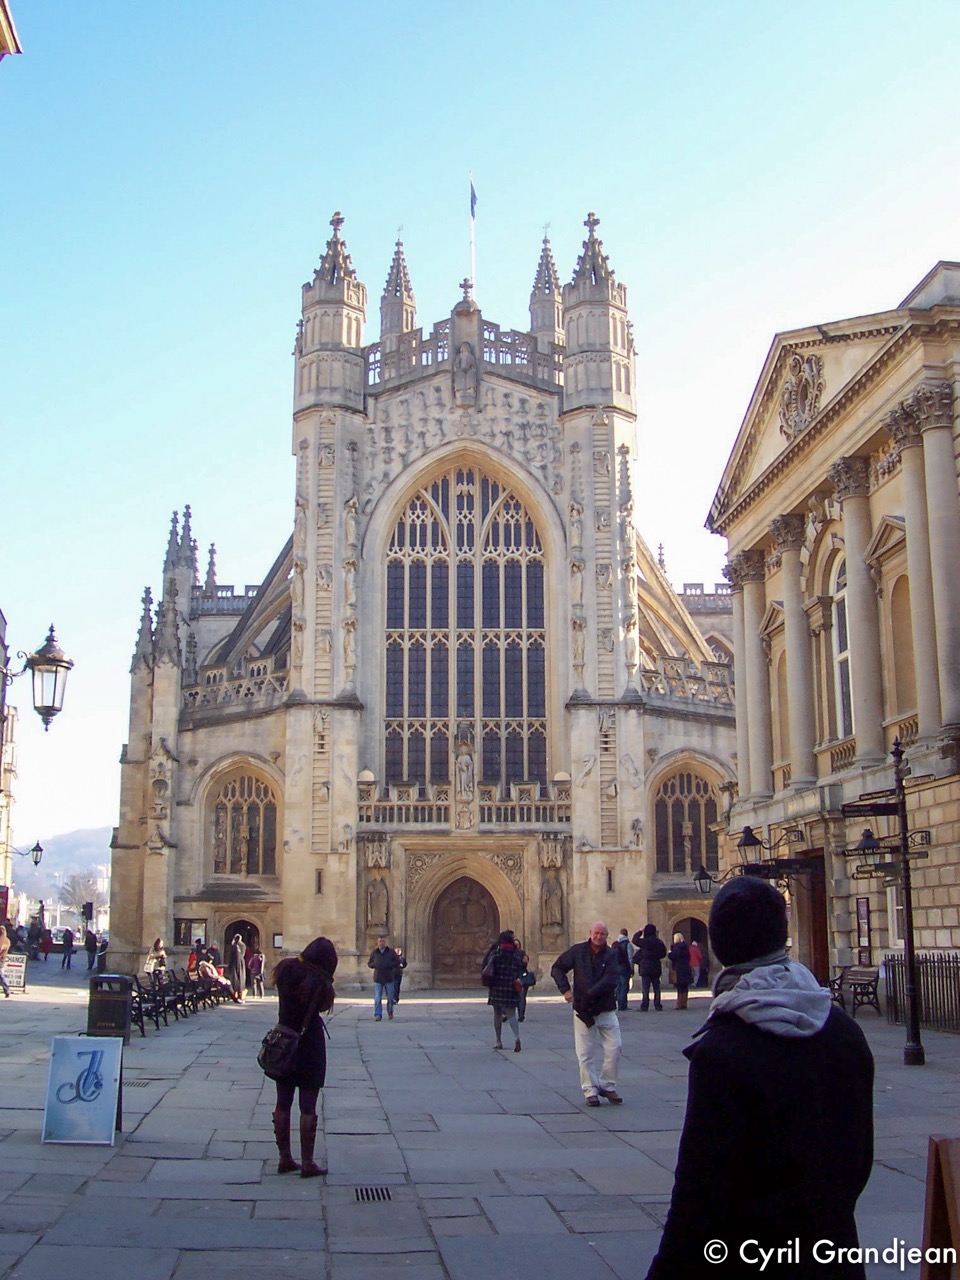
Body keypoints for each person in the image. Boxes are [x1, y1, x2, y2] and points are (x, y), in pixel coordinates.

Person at [645, 876, 874, 1279]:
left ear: (717, 945)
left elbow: (700, 1193)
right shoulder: (844, 1032)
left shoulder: (722, 1052)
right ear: (782, 935)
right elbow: (857, 1160)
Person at [266, 937, 337, 1178]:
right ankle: (307, 1162)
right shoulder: (318, 981)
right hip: (309, 1043)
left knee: (282, 1099)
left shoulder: (285, 969)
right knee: (308, 1103)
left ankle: (284, 1158)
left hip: (284, 1041)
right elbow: (324, 1006)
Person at [550, 921, 623, 1107]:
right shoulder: (578, 951)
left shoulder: (612, 954)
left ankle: (607, 1084)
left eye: (603, 934)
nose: (599, 937)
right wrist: (565, 990)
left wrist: (590, 992)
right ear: (590, 933)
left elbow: (611, 978)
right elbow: (557, 968)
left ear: (607, 936)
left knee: (615, 1047)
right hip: (583, 1011)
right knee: (585, 1053)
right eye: (596, 933)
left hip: (605, 1008)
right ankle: (590, 1090)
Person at [482, 930, 525, 1052]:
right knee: (511, 1014)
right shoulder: (515, 954)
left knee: (497, 1013)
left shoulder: (496, 953)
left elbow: (488, 967)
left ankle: (498, 1040)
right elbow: (520, 969)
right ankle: (516, 1038)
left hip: (497, 986)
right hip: (511, 986)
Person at [367, 934, 400, 1021]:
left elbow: (397, 962)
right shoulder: (375, 952)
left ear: (385, 942)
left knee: (390, 997)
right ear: (377, 943)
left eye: (383, 941)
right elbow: (369, 963)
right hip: (378, 978)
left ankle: (390, 1011)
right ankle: (378, 1014)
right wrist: (374, 965)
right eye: (380, 941)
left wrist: (389, 965)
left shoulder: (391, 952)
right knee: (377, 997)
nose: (382, 943)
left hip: (389, 977)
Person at [634, 923, 666, 1011]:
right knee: (656, 988)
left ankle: (645, 1006)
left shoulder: (645, 942)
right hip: (656, 966)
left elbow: (635, 940)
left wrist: (640, 931)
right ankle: (658, 1005)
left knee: (645, 988)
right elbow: (663, 953)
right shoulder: (658, 942)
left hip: (646, 967)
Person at [668, 932, 692, 1009]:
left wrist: (669, 953)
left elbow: (674, 956)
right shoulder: (686, 947)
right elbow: (688, 957)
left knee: (680, 986)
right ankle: (684, 1002)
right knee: (685, 986)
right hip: (686, 967)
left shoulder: (677, 947)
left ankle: (680, 1003)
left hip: (679, 968)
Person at [612, 928, 634, 1011]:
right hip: (624, 968)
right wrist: (631, 969)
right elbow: (630, 958)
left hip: (616, 968)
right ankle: (623, 1005)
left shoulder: (615, 944)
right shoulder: (628, 944)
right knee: (624, 986)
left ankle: (618, 1004)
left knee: (618, 987)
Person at [226, 933, 247, 1002]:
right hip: (241, 962)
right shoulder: (243, 945)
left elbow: (231, 956)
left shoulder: (234, 946)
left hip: (234, 963)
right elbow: (243, 954)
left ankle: (234, 994)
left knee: (235, 979)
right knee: (241, 978)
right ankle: (240, 994)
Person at [0, 924, 11, 997]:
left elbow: (1, 948)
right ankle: (6, 990)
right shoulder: (7, 940)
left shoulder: (3, 940)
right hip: (2, 961)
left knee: (1, 976)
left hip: (0, 961)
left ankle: (7, 989)